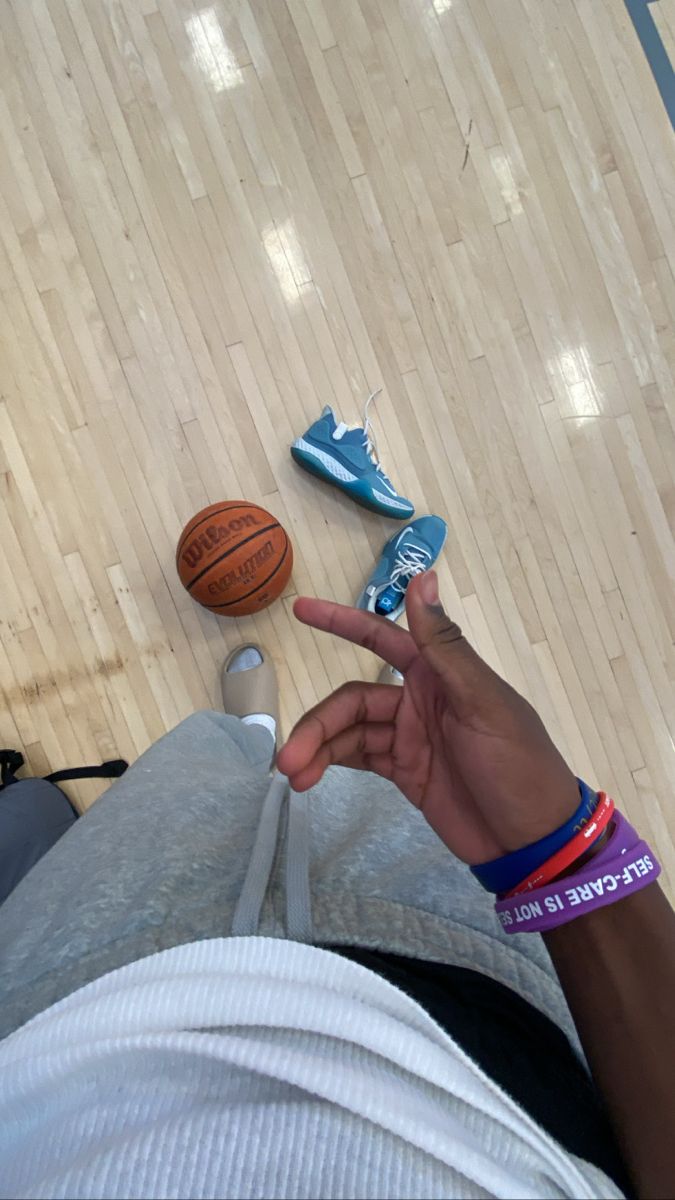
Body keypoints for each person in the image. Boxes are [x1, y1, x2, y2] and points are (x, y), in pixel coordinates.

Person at [0, 570, 673, 1199]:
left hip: (62, 1000)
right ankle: (347, 749)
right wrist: (561, 851)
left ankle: (244, 736)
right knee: (394, 810)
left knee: (181, 784)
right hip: (477, 990)